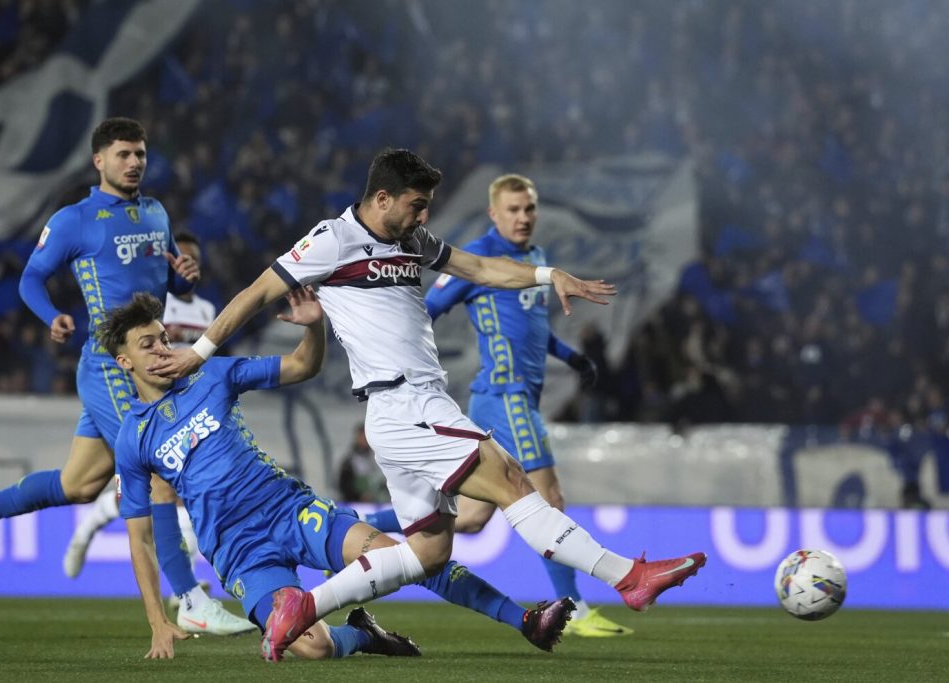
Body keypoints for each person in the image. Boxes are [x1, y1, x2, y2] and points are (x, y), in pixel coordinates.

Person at [147, 148, 706, 660]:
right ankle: (628, 577)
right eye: (416, 205)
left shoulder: (412, 240)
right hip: (405, 402)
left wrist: (546, 273)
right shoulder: (331, 240)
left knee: (431, 553)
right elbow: (253, 295)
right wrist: (199, 352)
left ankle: (307, 606)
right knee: (512, 480)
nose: (423, 217)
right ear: (382, 198)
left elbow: (480, 268)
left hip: (405, 408)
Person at [107, 290, 575, 659]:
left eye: (164, 338)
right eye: (147, 344)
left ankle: (526, 621)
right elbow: (139, 535)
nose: (162, 348)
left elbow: (301, 366)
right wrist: (156, 620)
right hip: (239, 551)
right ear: (125, 361)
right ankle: (365, 637)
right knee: (309, 645)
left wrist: (315, 328)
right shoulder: (133, 437)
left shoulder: (210, 375)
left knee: (412, 557)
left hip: (290, 509)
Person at [0, 118, 253, 636]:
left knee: (79, 485)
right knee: (161, 468)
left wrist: (182, 277)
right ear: (99, 161)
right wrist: (52, 317)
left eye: (141, 155)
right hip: (110, 366)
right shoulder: (73, 220)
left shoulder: (156, 212)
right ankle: (191, 599)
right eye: (124, 154)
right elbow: (31, 278)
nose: (134, 163)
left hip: (151, 366)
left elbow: (161, 275)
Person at [365, 174, 631, 637]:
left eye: (529, 209)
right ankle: (577, 611)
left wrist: (570, 357)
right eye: (513, 210)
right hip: (505, 395)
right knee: (549, 498)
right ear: (494, 213)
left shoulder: (535, 259)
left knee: (469, 517)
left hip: (513, 398)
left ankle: (363, 525)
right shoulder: (479, 259)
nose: (524, 217)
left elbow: (530, 328)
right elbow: (426, 309)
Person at [62, 230, 215, 581]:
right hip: (148, 400)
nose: (185, 264)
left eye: (193, 259)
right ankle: (88, 529)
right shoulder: (157, 305)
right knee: (149, 486)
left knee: (185, 490)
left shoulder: (207, 310)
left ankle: (187, 588)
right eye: (179, 257)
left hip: (185, 403)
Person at [336, 423, 388, 503]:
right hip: (355, 504)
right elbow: (343, 485)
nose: (364, 439)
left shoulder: (377, 456)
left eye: (366, 436)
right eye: (361, 436)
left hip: (377, 503)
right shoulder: (349, 459)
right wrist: (359, 496)